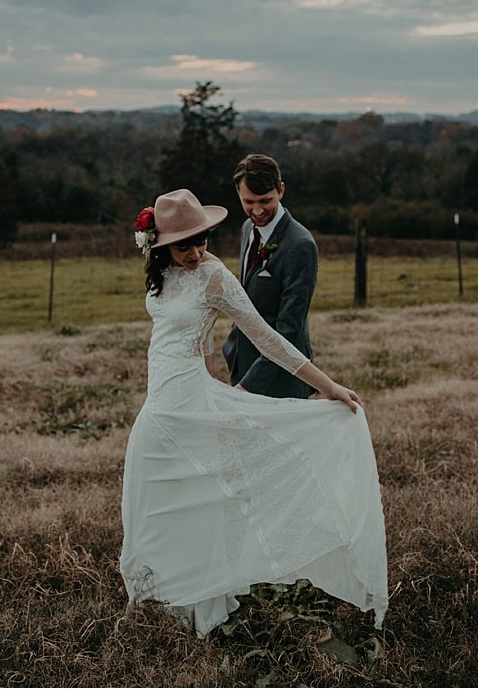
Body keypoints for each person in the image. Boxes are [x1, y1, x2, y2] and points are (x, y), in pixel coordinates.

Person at [120, 188, 388, 636]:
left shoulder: (214, 276)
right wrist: (209, 369)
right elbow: (191, 337)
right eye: (184, 244)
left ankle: (198, 598)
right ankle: (156, 592)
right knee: (151, 503)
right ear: (160, 245)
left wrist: (328, 386)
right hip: (159, 410)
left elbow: (268, 338)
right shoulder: (162, 275)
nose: (196, 251)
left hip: (190, 405)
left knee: (200, 504)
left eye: (202, 240)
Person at [222, 154, 319, 399]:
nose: (257, 210)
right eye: (249, 201)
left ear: (281, 190)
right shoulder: (247, 229)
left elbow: (290, 327)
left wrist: (250, 385)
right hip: (242, 362)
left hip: (281, 377)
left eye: (265, 201)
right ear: (238, 193)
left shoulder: (300, 245)